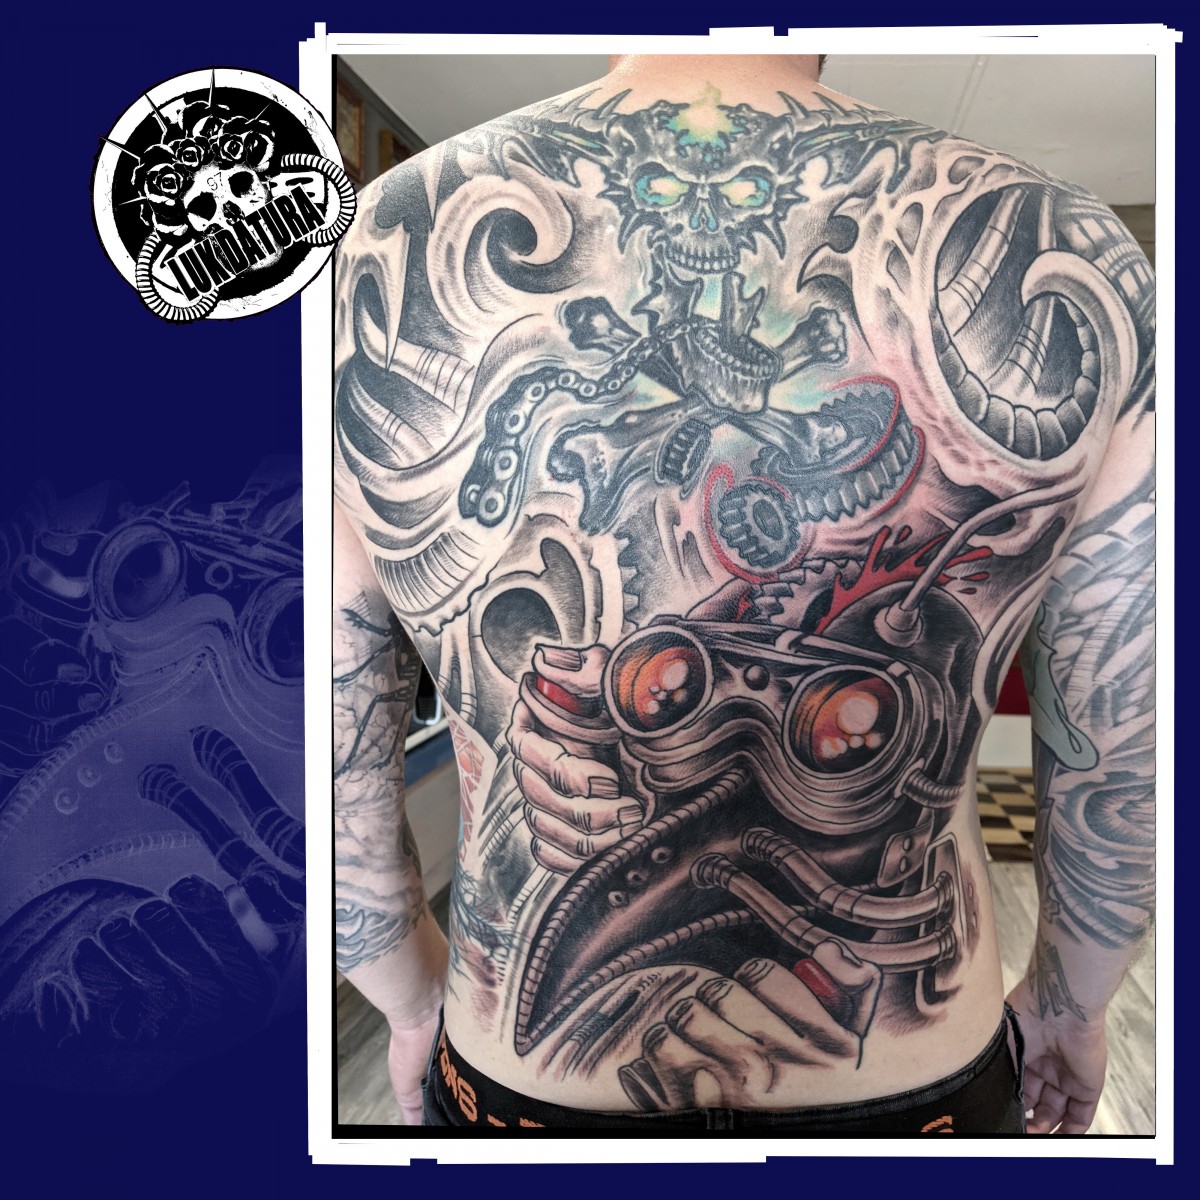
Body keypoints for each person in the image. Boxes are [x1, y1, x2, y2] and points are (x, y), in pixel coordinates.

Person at [332, 52, 1155, 1133]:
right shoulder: (1069, 244)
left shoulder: (371, 245)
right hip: (914, 1086)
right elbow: (1127, 736)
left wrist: (407, 999)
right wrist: (1069, 1004)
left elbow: (322, 724)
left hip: (519, 1085)